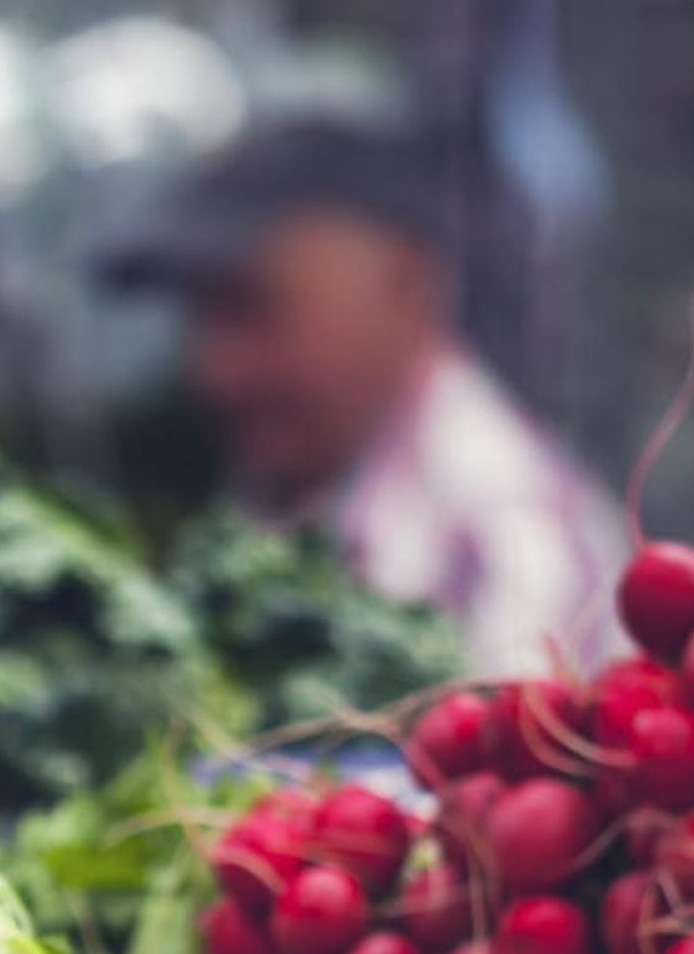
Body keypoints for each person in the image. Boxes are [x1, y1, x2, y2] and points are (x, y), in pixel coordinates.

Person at [102, 118, 629, 677]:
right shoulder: (290, 501)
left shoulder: (512, 552)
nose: (215, 372)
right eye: (199, 318)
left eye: (252, 307)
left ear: (407, 283)